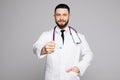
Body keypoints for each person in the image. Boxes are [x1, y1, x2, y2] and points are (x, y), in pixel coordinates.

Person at [33, 3, 93, 80]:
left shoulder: (79, 36)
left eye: (64, 15)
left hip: (71, 77)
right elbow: (35, 47)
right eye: (58, 15)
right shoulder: (46, 35)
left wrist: (79, 68)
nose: (61, 18)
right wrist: (43, 49)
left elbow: (89, 54)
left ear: (69, 16)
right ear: (54, 16)